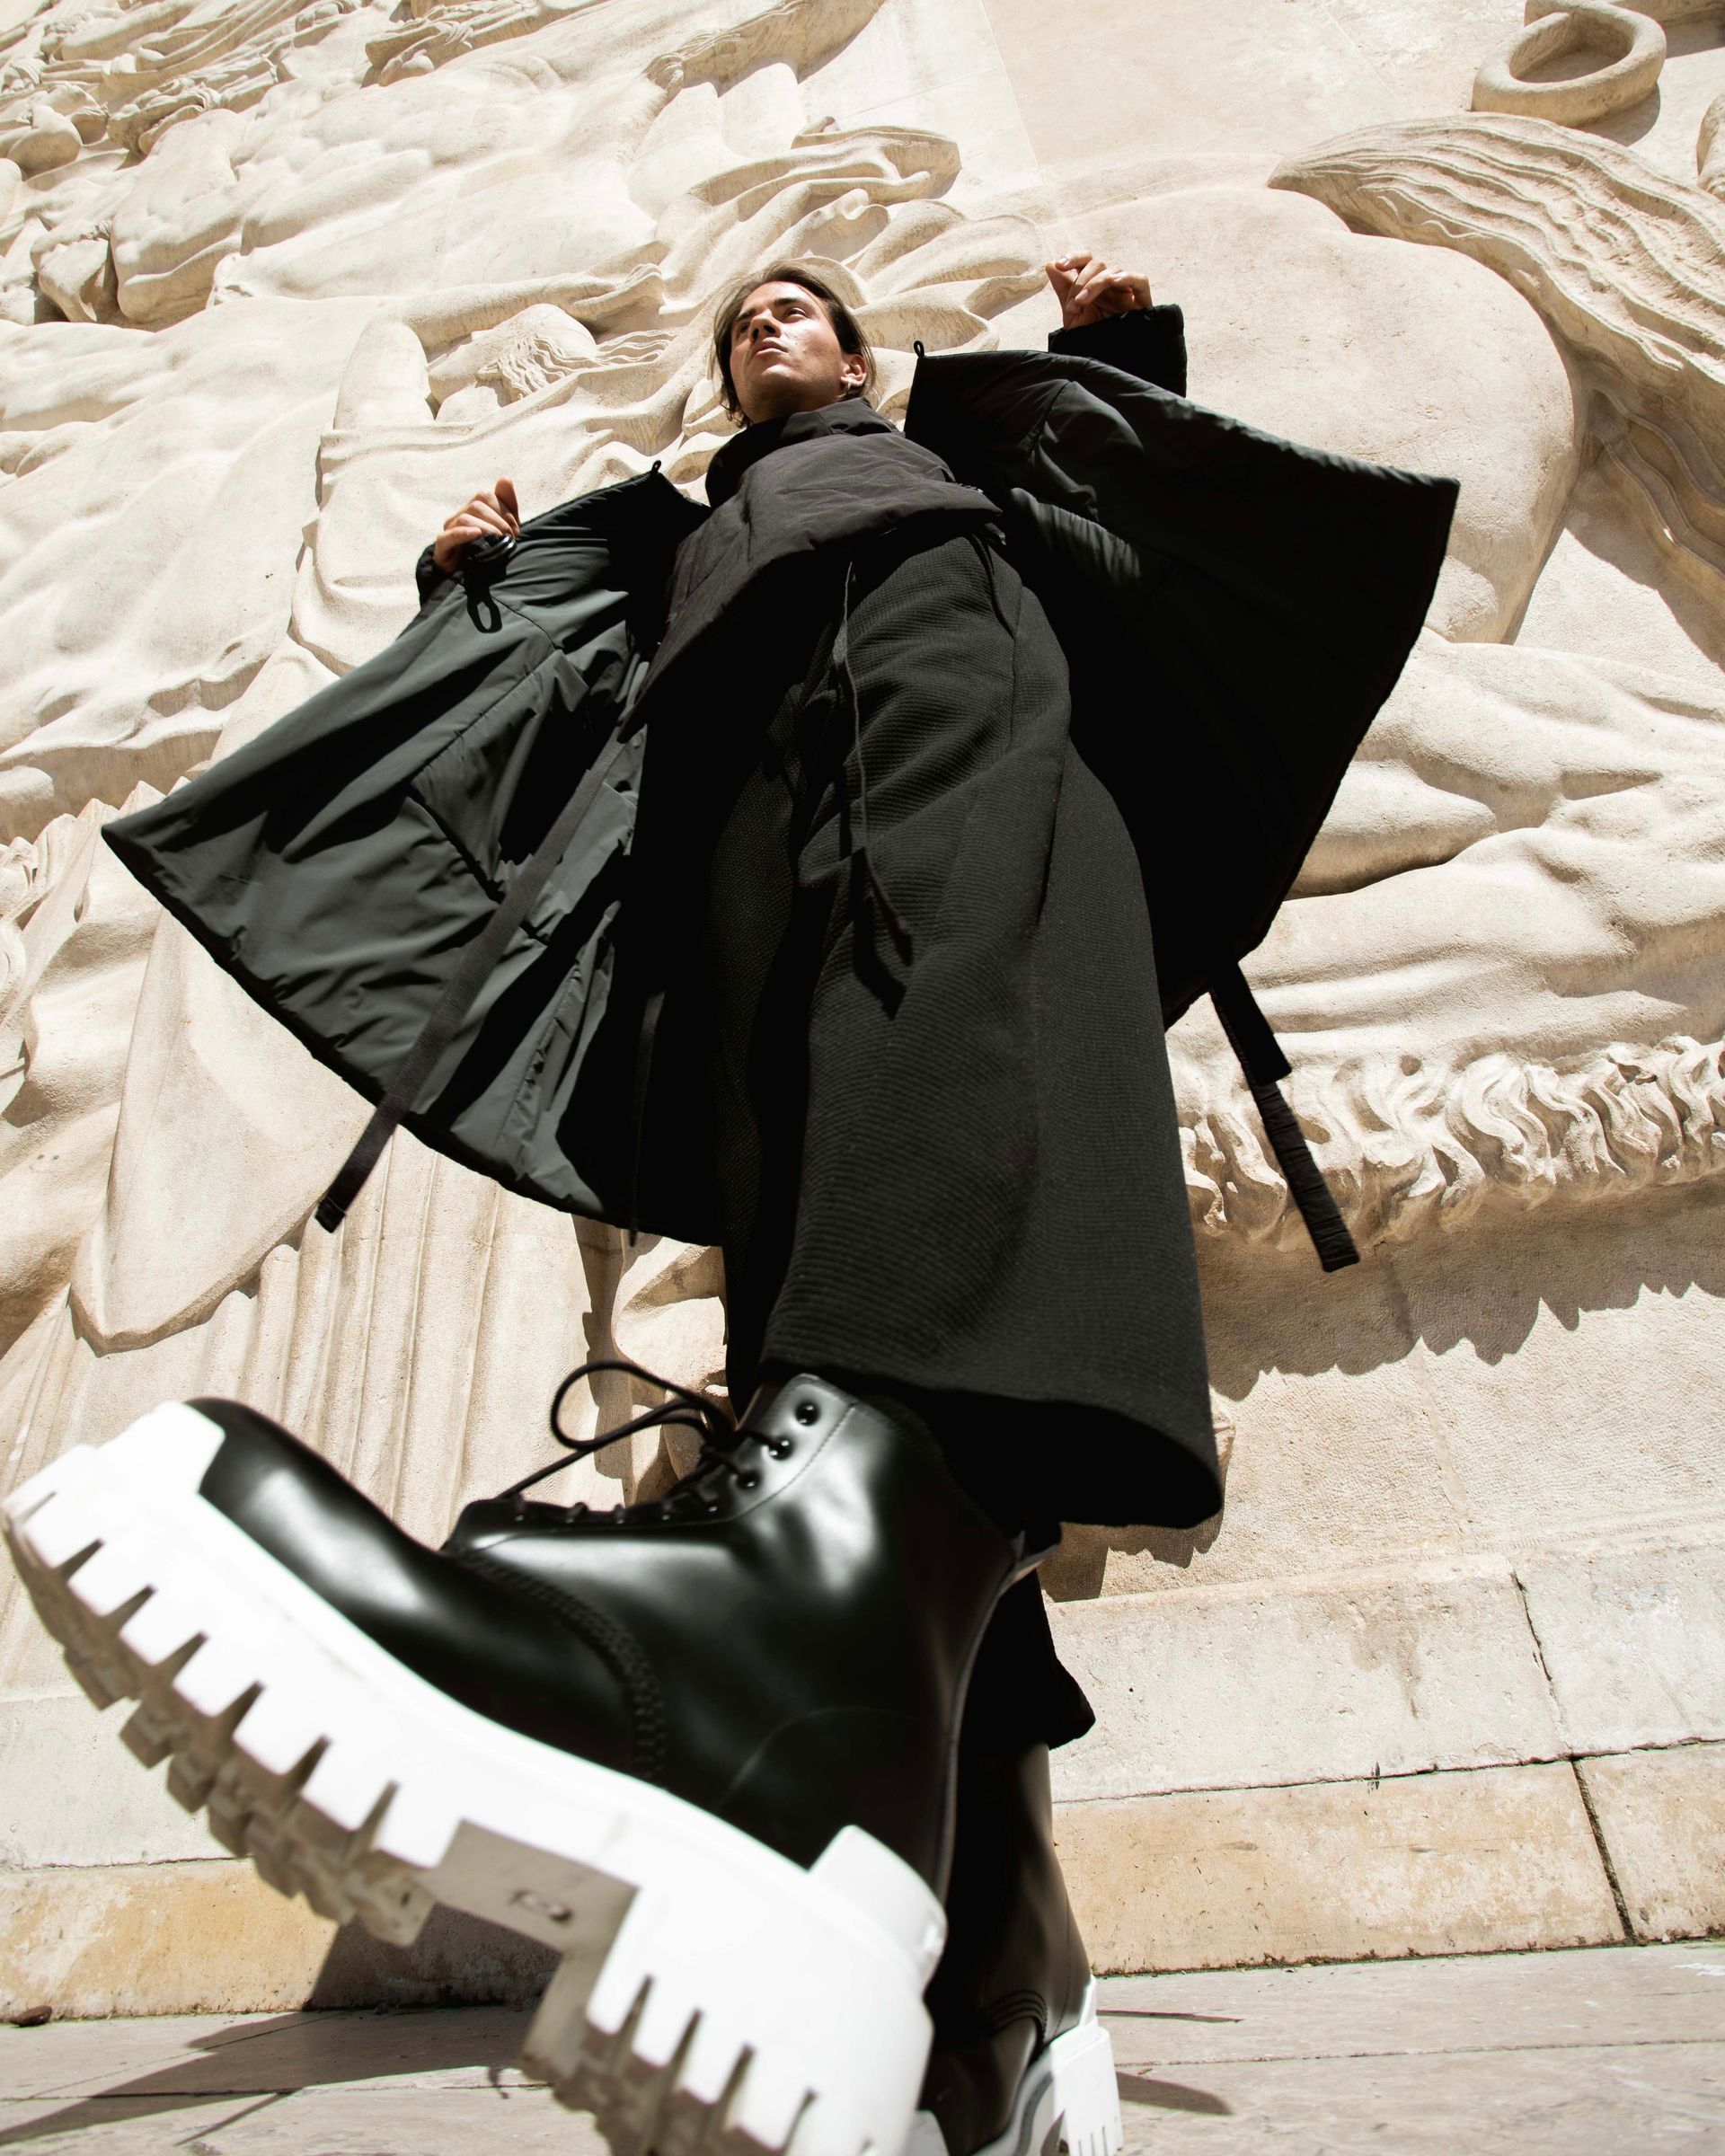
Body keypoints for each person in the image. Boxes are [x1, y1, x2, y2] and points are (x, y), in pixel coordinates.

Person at [4, 253, 1455, 2156]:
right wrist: (477, 590)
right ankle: (993, 1952)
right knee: (824, 1276)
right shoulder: (677, 533)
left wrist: (1113, 353)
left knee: (951, 1022)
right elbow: (554, 721)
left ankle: (790, 1671)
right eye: (743, 321)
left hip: (944, 669)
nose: (767, 325)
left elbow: (1122, 494)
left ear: (852, 354)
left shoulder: (931, 458)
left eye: (799, 310)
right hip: (737, 815)